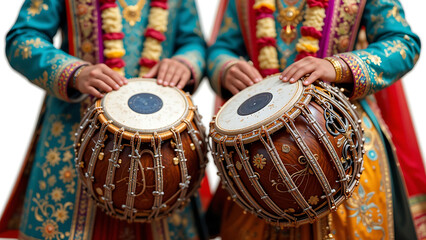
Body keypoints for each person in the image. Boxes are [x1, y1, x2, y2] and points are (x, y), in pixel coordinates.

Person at [206, 0, 421, 239]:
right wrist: (227, 68)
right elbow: (222, 47)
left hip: (342, 142)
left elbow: (403, 42)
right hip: (258, 152)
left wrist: (338, 67)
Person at [0, 0, 207, 239]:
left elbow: (193, 41)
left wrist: (184, 63)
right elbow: (23, 38)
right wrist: (73, 72)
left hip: (163, 156)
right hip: (75, 140)